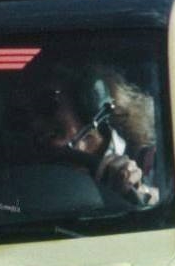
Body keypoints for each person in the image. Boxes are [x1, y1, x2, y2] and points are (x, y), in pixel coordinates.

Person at [24, 69, 160, 205]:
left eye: (46, 104)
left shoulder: (146, 156)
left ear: (89, 102)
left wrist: (140, 193)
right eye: (28, 113)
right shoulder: (34, 175)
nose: (35, 123)